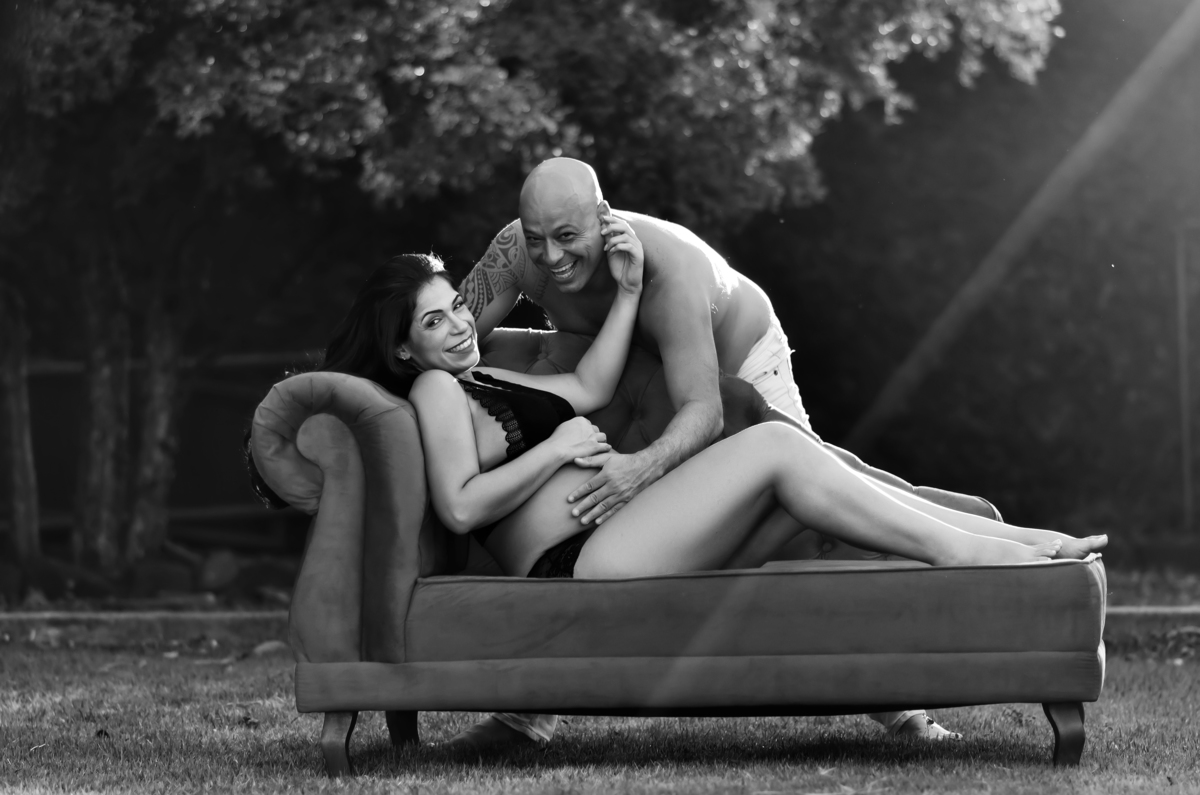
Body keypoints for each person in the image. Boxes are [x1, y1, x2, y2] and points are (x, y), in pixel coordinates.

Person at [309, 236, 1104, 751]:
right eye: (433, 322)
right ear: (403, 349)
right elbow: (458, 505)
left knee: (792, 465)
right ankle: (974, 550)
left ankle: (1009, 544)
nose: (457, 325)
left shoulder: (478, 374)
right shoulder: (434, 393)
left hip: (616, 534)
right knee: (775, 449)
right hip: (578, 559)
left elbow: (590, 384)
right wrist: (552, 448)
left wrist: (627, 292)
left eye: (456, 305)